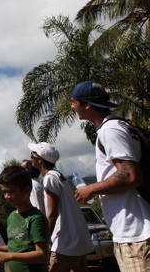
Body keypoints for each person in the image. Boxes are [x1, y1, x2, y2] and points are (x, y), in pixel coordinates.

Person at [72, 81, 150, 271]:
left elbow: (130, 175)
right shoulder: (122, 126)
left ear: (87, 105)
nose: (72, 107)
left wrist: (90, 189)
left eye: (74, 102)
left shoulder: (110, 130)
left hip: (135, 233)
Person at [29, 142, 92, 272]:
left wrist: (44, 239)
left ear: (40, 160)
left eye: (32, 155)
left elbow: (52, 213)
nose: (30, 159)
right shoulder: (57, 175)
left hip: (65, 239)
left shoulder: (50, 178)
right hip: (76, 236)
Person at [0, 166, 49, 272]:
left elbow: (42, 255)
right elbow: (16, 248)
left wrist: (9, 256)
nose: (6, 196)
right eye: (4, 192)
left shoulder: (36, 218)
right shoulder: (12, 217)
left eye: (10, 192)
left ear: (27, 190)